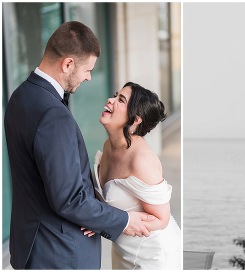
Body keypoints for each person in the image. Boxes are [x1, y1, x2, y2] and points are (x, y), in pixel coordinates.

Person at [4, 21, 156, 269]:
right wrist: (124, 220)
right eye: (87, 69)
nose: (89, 77)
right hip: (61, 252)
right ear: (67, 64)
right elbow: (69, 200)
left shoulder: (20, 96)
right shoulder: (53, 114)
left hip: (31, 243)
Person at [93, 82, 182, 269]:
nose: (111, 100)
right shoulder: (109, 146)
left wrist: (105, 222)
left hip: (153, 256)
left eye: (121, 100)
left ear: (135, 120)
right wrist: (95, 218)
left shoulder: (142, 160)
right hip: (123, 251)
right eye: (116, 95)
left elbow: (161, 218)